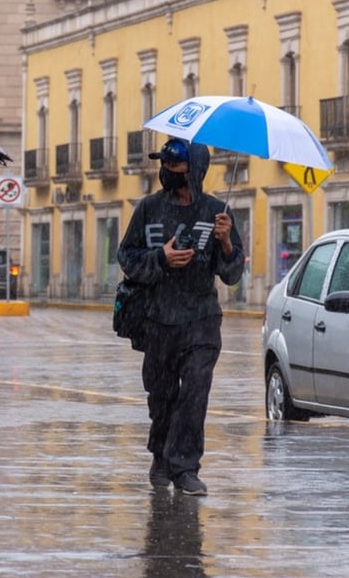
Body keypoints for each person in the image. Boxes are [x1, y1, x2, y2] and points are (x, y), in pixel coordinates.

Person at [116, 137, 244, 496]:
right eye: (166, 168)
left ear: (196, 171)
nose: (169, 174)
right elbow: (127, 258)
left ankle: (186, 467)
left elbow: (232, 274)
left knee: (196, 391)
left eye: (178, 169)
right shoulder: (148, 209)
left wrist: (226, 242)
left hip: (201, 320)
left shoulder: (219, 213)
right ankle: (161, 454)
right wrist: (161, 259)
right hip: (157, 320)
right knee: (162, 396)